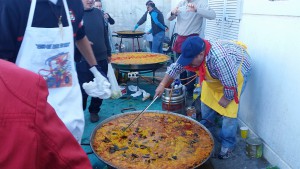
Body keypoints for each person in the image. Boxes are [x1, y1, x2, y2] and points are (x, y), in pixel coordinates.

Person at [0, 0, 110, 142]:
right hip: (27, 109)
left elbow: (80, 36)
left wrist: (95, 70)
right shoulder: (12, 4)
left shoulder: (74, 4)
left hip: (68, 107)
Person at [155, 36, 252, 159]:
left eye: (190, 60)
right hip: (217, 75)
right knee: (206, 100)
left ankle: (228, 144)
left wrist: (226, 98)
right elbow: (176, 67)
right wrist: (162, 84)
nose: (188, 63)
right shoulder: (193, 51)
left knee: (229, 113)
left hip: (237, 71)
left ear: (201, 54)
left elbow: (231, 84)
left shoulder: (220, 59)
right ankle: (207, 131)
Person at [0, 59, 92, 169]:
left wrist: (95, 67)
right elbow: (68, 160)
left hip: (61, 91)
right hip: (33, 92)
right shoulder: (18, 84)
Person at [167, 0, 216, 97]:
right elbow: (169, 17)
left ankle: (190, 93)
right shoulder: (181, 3)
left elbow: (212, 15)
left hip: (192, 41)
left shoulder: (201, 3)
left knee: (192, 70)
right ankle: (182, 88)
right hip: (180, 40)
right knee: (180, 66)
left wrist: (197, 9)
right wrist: (173, 12)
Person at [75, 0, 112, 123]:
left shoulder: (99, 13)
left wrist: (108, 52)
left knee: (100, 87)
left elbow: (104, 33)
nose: (90, 1)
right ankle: (79, 112)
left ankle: (94, 110)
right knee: (82, 89)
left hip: (101, 57)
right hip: (83, 60)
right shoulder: (75, 14)